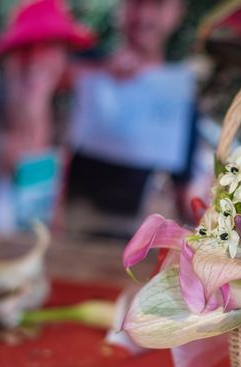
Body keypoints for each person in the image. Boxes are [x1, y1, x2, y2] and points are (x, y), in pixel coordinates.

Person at [0, 0, 95, 232]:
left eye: (49, 47)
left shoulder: (71, 137)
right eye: (25, 48)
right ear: (5, 62)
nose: (34, 60)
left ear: (64, 61)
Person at [66, 0, 197, 237]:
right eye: (136, 3)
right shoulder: (80, 69)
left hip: (135, 246)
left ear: (178, 13)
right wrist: (100, 70)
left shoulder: (180, 99)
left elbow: (184, 194)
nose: (145, 15)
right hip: (67, 233)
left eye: (157, 5)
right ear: (120, 8)